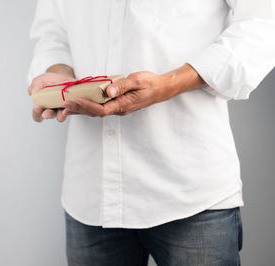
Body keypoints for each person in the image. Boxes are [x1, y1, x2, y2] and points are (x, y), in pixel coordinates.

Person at [27, 0, 275, 265]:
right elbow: (53, 33)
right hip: (91, 192)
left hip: (189, 191)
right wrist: (56, 71)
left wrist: (172, 83)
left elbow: (264, 23)